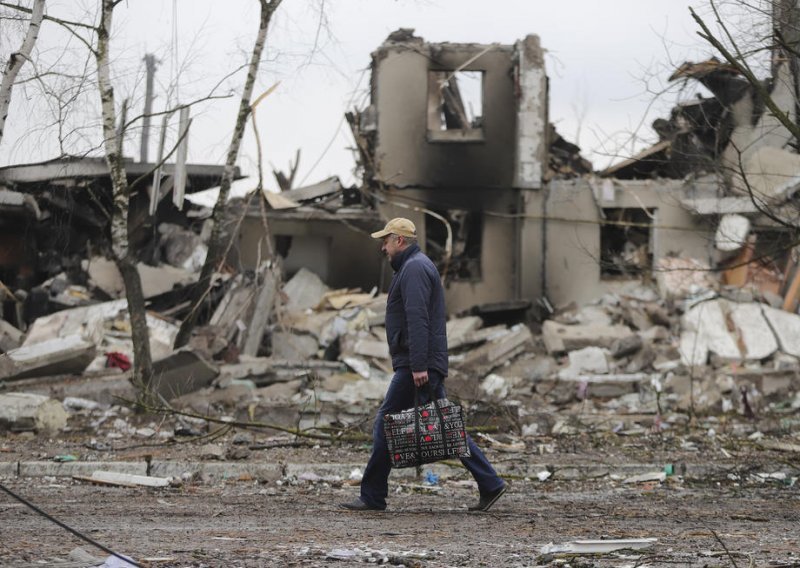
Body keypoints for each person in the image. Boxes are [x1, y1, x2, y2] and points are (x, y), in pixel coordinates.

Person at [340, 217, 507, 512]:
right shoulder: (413, 266)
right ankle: (490, 483)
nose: (383, 247)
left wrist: (418, 366)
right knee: (446, 426)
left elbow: (418, 320)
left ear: (400, 241)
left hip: (417, 365)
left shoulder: (415, 268)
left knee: (385, 423)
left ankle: (372, 495)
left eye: (386, 241)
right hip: (420, 362)